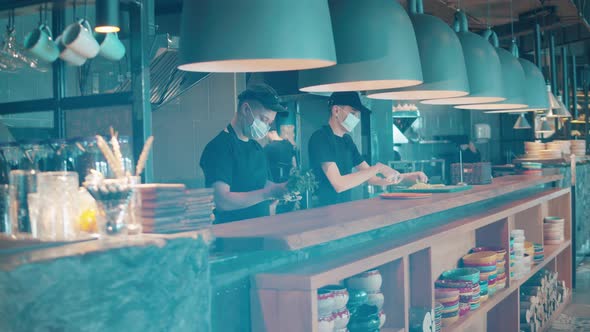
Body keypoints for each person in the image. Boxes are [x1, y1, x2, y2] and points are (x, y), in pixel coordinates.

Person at [308, 92, 428, 207]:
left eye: (357, 115)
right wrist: (379, 168)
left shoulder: (347, 141)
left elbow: (372, 178)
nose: (356, 118)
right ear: (336, 110)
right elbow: (339, 184)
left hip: (343, 209)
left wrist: (409, 178)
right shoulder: (321, 138)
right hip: (323, 211)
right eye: (353, 113)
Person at [200, 84, 288, 224]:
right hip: (233, 239)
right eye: (264, 120)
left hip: (261, 232)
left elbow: (263, 184)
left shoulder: (256, 147)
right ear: (246, 109)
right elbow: (221, 201)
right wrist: (268, 193)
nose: (267, 127)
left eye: (270, 123)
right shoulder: (219, 147)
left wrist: (284, 189)